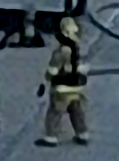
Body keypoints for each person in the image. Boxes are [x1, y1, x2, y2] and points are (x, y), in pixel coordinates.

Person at [37, 17, 90, 146]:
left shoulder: (60, 52)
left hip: (62, 88)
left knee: (55, 112)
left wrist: (47, 78)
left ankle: (51, 137)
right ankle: (82, 133)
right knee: (77, 110)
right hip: (76, 87)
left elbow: (52, 71)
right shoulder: (78, 49)